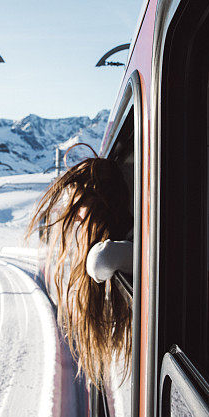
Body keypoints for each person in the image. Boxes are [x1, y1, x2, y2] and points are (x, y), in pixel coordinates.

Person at [28, 146, 133, 388]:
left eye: (79, 207)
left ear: (101, 203)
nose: (76, 218)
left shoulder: (128, 246)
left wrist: (94, 253)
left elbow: (101, 261)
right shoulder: (126, 240)